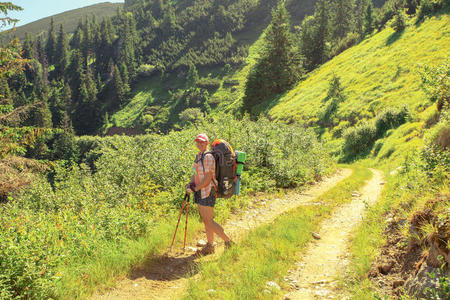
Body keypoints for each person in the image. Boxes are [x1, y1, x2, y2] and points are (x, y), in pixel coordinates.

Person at [186, 133, 234, 256]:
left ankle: (228, 241)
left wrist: (195, 188)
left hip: (207, 191)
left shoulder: (208, 157)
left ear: (207, 143)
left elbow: (207, 179)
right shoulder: (198, 156)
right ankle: (210, 245)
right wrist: (190, 184)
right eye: (197, 141)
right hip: (199, 191)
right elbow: (195, 173)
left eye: (202, 142)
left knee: (209, 221)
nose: (199, 144)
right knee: (206, 220)